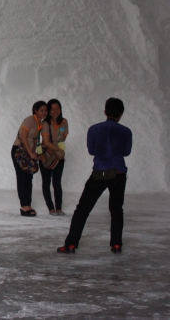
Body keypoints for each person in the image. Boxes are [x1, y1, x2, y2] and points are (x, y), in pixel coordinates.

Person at [57, 98, 132, 255]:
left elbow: (92, 150)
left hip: (100, 173)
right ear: (121, 114)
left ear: (105, 112)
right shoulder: (126, 131)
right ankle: (116, 244)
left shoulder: (94, 129)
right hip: (119, 173)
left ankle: (71, 244)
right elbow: (126, 152)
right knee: (116, 210)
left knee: (83, 209)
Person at [11, 101, 51, 217]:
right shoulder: (30, 119)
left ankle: (28, 204)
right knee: (22, 178)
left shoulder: (40, 123)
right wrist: (30, 153)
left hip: (30, 153)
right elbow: (23, 137)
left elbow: (36, 141)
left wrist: (38, 153)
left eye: (46, 110)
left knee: (29, 178)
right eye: (42, 110)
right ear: (36, 111)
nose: (44, 113)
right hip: (20, 151)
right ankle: (24, 206)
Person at [40, 99, 68, 216]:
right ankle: (51, 208)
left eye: (57, 108)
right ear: (49, 110)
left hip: (58, 156)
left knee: (57, 182)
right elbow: (46, 142)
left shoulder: (64, 122)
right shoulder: (45, 123)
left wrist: (60, 151)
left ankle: (59, 208)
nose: (55, 111)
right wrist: (58, 150)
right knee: (46, 182)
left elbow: (62, 138)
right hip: (46, 156)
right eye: (52, 109)